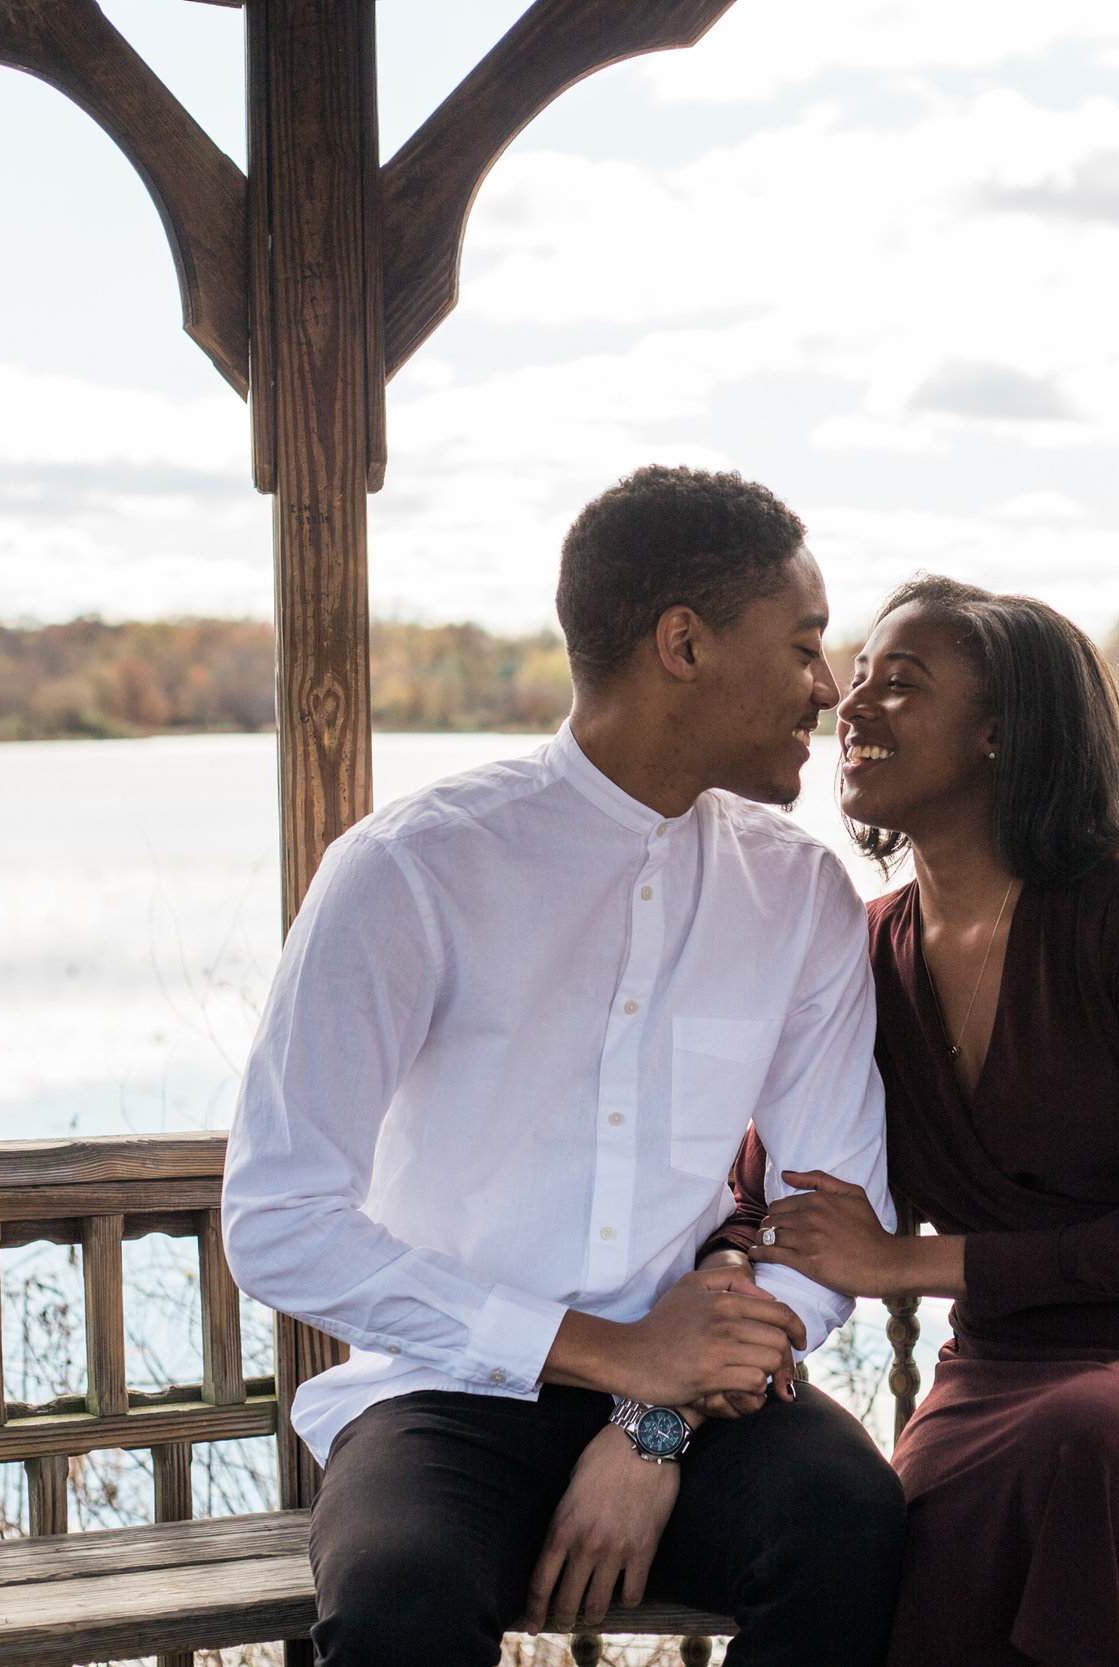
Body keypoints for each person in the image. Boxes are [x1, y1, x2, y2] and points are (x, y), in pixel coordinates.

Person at [222, 466, 906, 1667]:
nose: (827, 684)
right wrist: (607, 1351)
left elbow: (831, 1217)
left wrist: (653, 1413)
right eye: (804, 644)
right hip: (442, 1394)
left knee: (850, 1522)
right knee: (399, 1598)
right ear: (682, 645)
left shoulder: (796, 891)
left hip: (699, 1403)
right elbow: (279, 1221)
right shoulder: (410, 872)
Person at [715, 574, 1119, 1667]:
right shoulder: (858, 950)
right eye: (852, 675)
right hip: (1001, 1372)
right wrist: (657, 1400)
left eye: (897, 683)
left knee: (1095, 1440)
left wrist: (902, 1263)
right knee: (882, 1541)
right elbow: (760, 1196)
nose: (848, 704)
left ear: (1001, 734)